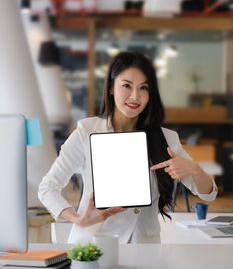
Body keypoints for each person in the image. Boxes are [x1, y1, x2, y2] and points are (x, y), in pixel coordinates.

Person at [38, 51, 217, 243]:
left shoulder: (166, 139)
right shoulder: (86, 132)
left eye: (143, 88)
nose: (135, 96)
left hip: (145, 249)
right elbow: (47, 187)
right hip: (95, 246)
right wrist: (78, 219)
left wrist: (193, 169)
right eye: (126, 86)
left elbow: (209, 194)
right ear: (111, 88)